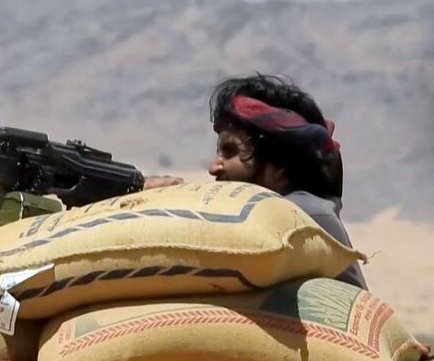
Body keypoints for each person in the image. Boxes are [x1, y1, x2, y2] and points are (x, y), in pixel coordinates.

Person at [144, 73, 367, 289]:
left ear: (279, 165)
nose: (214, 167)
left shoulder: (305, 216)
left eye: (230, 151)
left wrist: (156, 199)